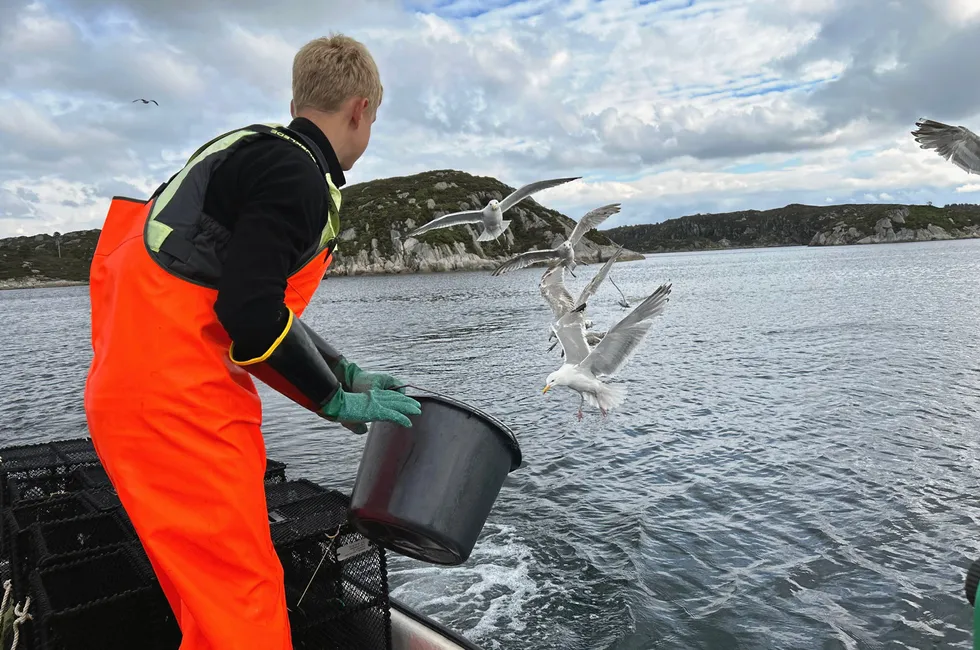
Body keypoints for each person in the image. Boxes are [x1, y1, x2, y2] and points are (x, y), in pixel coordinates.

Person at [83, 34, 421, 649]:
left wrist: (342, 371)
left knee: (208, 608)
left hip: (130, 398)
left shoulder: (248, 152)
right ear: (361, 109)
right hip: (181, 410)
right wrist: (331, 399)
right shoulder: (297, 174)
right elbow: (250, 314)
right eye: (373, 117)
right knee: (245, 613)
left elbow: (233, 296)